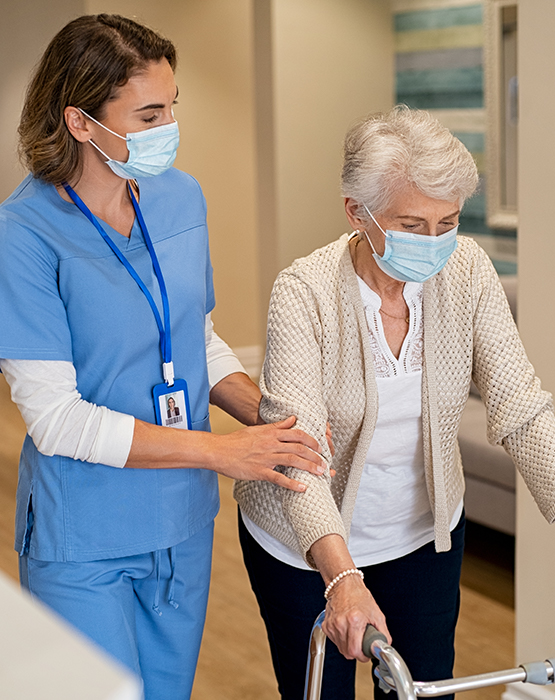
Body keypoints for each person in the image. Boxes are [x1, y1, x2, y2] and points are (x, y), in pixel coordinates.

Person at [0, 15, 328, 700]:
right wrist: (223, 452)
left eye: (173, 106)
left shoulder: (181, 195)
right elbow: (55, 419)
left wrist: (270, 416)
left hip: (179, 524)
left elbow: (193, 335)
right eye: (150, 113)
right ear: (82, 121)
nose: (170, 126)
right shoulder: (23, 233)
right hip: (82, 534)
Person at [234, 106, 555, 700]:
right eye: (413, 225)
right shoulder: (303, 292)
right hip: (304, 546)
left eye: (449, 222)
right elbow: (297, 454)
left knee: (423, 688)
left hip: (421, 536)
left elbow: (518, 400)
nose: (435, 243)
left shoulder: (466, 269)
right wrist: (340, 575)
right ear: (355, 212)